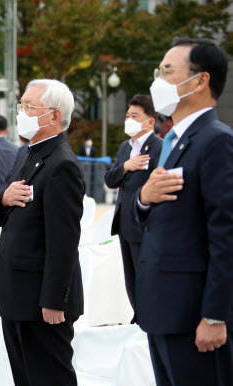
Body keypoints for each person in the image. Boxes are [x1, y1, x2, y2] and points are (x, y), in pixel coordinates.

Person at [133, 37, 233, 386]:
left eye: (168, 71)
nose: (158, 80)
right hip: (162, 305)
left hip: (192, 313)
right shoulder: (174, 140)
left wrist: (215, 315)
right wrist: (143, 198)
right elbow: (157, 217)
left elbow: (226, 235)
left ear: (201, 80)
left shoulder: (216, 140)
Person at [0, 79, 84, 386]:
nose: (21, 113)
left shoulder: (61, 164)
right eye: (21, 105)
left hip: (41, 299)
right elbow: (4, 211)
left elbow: (64, 241)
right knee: (24, 376)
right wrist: (1, 198)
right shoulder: (27, 154)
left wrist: (55, 299)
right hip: (16, 291)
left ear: (54, 116)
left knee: (49, 376)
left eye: (29, 107)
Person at [104, 94, 162, 323]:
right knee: (130, 276)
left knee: (145, 275)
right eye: (127, 115)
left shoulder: (158, 147)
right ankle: (138, 316)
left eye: (135, 116)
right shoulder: (124, 148)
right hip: (124, 221)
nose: (129, 119)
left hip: (144, 223)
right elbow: (110, 180)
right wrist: (126, 166)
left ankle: (147, 317)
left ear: (149, 122)